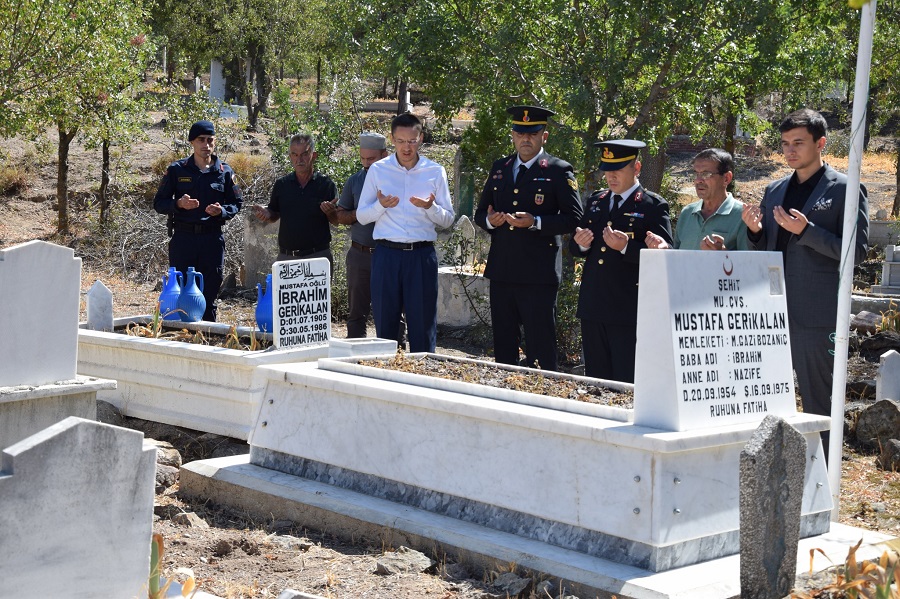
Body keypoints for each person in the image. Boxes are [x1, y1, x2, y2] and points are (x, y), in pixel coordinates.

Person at [741, 108, 868, 458]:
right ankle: (772, 473)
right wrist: (754, 232)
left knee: (818, 400)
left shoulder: (847, 188)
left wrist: (807, 232)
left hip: (815, 314)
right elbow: (767, 246)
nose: (790, 151)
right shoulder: (774, 189)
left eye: (799, 142)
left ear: (821, 143)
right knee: (767, 397)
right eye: (785, 144)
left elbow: (855, 252)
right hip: (770, 311)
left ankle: (823, 477)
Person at [474, 105, 583, 371]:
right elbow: (480, 212)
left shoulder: (558, 170)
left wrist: (536, 222)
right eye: (520, 133)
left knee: (541, 347)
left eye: (532, 133)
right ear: (512, 135)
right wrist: (491, 221)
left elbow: (574, 218)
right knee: (504, 347)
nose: (525, 139)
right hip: (503, 270)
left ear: (544, 136)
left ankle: (544, 399)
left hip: (538, 273)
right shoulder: (501, 168)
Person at [569, 139, 673, 383]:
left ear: (636, 168)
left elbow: (665, 255)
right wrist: (581, 242)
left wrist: (626, 247)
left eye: (618, 170)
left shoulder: (652, 205)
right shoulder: (597, 201)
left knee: (625, 380)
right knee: (596, 379)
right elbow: (576, 247)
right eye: (607, 170)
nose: (611, 176)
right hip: (594, 303)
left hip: (627, 308)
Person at [356, 113, 455, 353]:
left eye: (411, 141)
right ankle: (386, 381)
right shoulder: (378, 170)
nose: (406, 147)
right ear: (392, 140)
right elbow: (361, 216)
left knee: (422, 326)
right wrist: (381, 205)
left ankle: (423, 379)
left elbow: (448, 219)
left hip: (421, 257)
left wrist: (430, 207)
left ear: (421, 138)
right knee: (385, 327)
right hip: (387, 255)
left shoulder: (434, 171)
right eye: (400, 141)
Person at [154, 120, 243, 322]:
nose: (206, 145)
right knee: (181, 292)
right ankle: (180, 338)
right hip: (184, 239)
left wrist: (222, 211)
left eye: (210, 140)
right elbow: (159, 203)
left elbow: (237, 203)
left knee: (209, 294)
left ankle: (207, 340)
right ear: (192, 142)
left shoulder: (224, 171)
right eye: (201, 140)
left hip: (212, 240)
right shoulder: (177, 170)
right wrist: (178, 204)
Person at [328, 132, 391, 338]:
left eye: (371, 159)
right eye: (362, 158)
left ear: (385, 154)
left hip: (390, 253)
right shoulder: (355, 181)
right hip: (360, 254)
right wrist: (363, 213)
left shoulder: (397, 180)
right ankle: (354, 355)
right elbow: (340, 215)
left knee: (393, 311)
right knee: (356, 312)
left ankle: (395, 356)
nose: (366, 164)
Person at [251, 132, 338, 270]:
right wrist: (266, 214)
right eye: (295, 154)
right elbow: (274, 213)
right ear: (290, 157)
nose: (300, 159)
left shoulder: (326, 184)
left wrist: (330, 212)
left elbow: (336, 221)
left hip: (318, 257)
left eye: (304, 154)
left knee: (318, 293)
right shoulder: (282, 184)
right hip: (287, 258)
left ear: (313, 156)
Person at [645, 148, 749, 251]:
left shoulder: (743, 216)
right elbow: (677, 257)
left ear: (726, 178)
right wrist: (665, 249)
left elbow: (750, 263)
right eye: (696, 174)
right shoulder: (687, 212)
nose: (698, 180)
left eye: (706, 174)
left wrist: (723, 254)